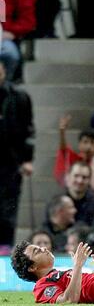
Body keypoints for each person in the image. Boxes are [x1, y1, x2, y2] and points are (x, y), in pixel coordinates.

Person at [0, 61, 34, 255]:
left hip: (10, 162)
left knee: (7, 208)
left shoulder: (19, 97)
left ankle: (4, 250)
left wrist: (27, 159)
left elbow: (29, 130)